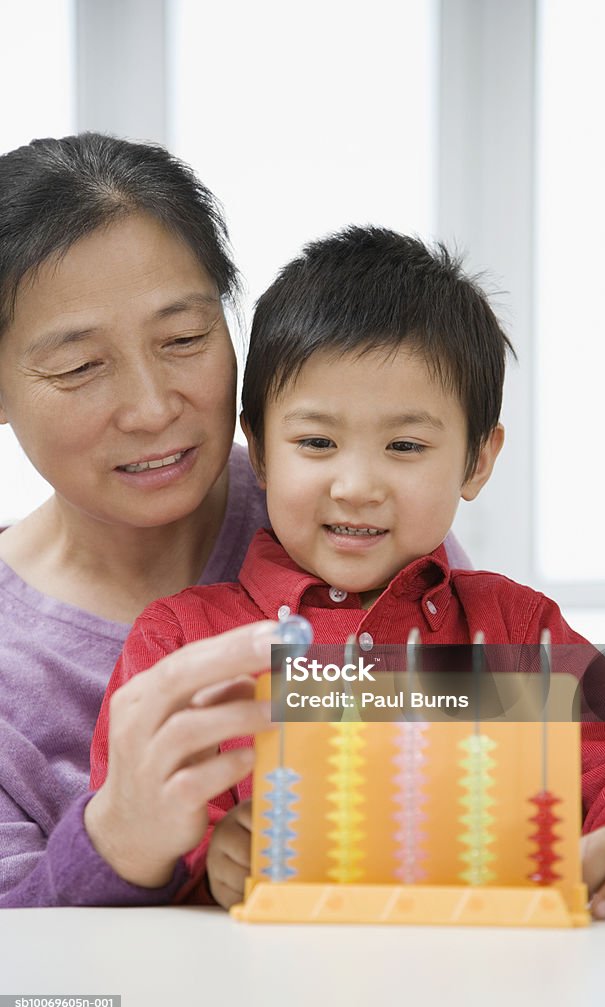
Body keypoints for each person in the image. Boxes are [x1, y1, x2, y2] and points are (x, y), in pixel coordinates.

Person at [92, 226, 605, 920]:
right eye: (316, 442)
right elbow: (135, 820)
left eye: (404, 445)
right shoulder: (182, 641)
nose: (356, 485)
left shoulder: (520, 630)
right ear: (256, 444)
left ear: (476, 461)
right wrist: (207, 856)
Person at [0, 136, 470, 907]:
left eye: (185, 339)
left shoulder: (346, 513)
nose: (153, 409)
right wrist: (115, 840)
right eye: (80, 366)